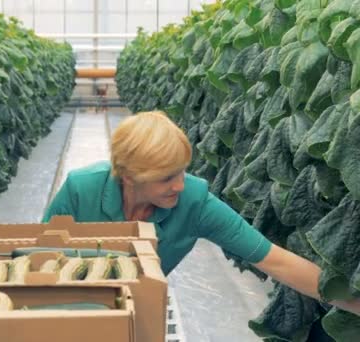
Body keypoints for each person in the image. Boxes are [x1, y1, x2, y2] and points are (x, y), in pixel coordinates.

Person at [42, 110, 360, 315]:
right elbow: (40, 260)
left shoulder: (193, 201)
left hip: (135, 308)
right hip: (69, 309)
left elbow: (274, 259)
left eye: (182, 172)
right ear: (128, 176)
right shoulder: (80, 191)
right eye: (166, 178)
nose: (180, 185)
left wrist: (353, 301)